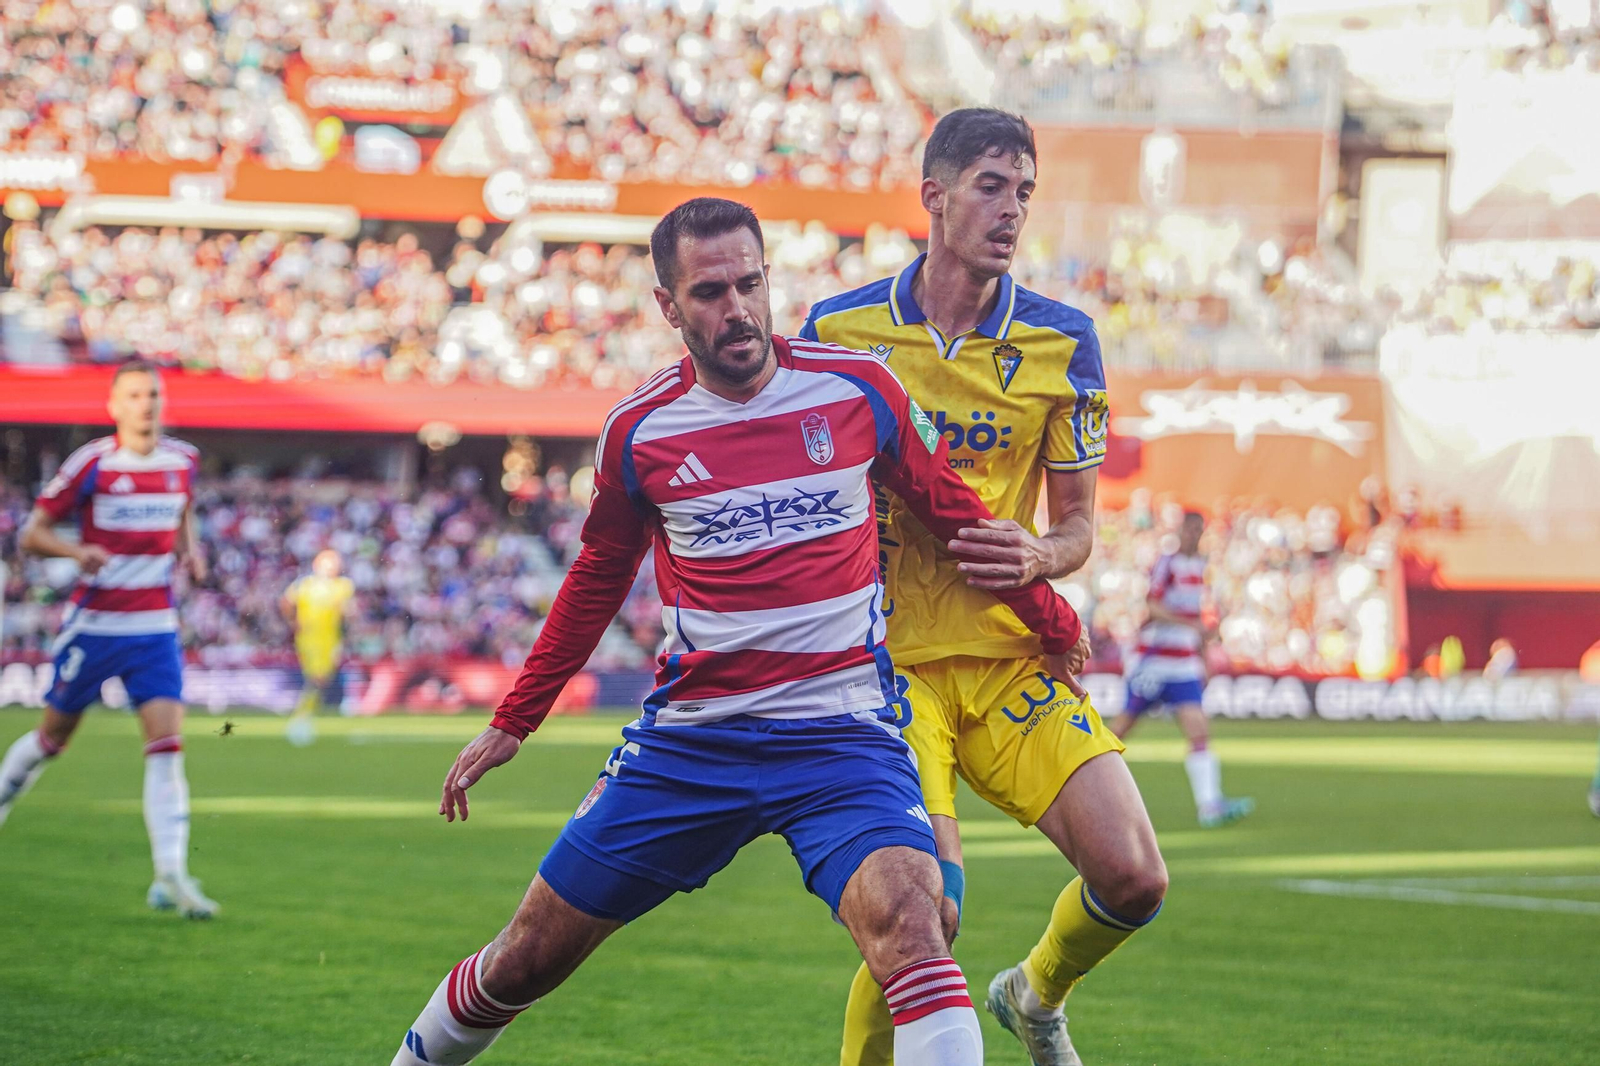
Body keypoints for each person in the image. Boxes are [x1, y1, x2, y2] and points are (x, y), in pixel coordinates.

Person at [388, 198, 1092, 1066]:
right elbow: (596, 579)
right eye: (711, 292)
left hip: (842, 738)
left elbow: (957, 518)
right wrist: (514, 720)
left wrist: (1053, 622)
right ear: (669, 306)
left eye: (751, 284)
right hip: (694, 745)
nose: (738, 310)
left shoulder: (857, 391)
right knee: (526, 958)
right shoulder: (639, 433)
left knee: (917, 929)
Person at [802, 108, 1167, 1066]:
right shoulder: (838, 332)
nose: (1013, 212)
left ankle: (1035, 994)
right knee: (924, 915)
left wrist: (1039, 557)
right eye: (992, 188)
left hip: (1008, 666)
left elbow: (1078, 527)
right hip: (887, 670)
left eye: (1026, 193)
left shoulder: (1064, 342)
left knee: (1135, 878)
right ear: (934, 195)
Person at [0, 359, 218, 918]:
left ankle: (172, 875)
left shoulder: (183, 460)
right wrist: (78, 553)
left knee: (167, 748)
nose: (146, 404)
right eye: (136, 395)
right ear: (115, 405)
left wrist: (188, 549)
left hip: (154, 627)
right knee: (52, 740)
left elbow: (184, 507)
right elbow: (32, 534)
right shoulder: (92, 463)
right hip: (94, 627)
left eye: (154, 395)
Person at [1110, 510, 1254, 829]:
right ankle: (1076, 783)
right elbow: (1153, 606)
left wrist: (1204, 656)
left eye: (1198, 530)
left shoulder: (1202, 567)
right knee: (1120, 730)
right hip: (1153, 659)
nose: (1193, 535)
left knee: (1199, 730)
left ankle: (1210, 806)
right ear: (1180, 531)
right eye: (1189, 529)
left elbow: (1200, 623)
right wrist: (1192, 626)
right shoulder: (1168, 563)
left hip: (1182, 662)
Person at [280, 549, 354, 746]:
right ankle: (301, 718)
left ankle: (305, 715)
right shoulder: (306, 585)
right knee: (316, 677)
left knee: (322, 680)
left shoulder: (342, 586)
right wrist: (293, 622)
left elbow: (347, 611)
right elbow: (286, 602)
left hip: (330, 640)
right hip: (309, 638)